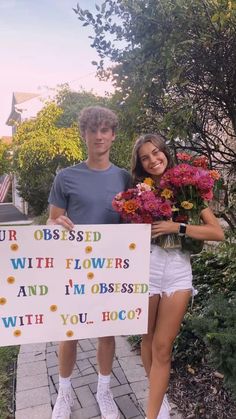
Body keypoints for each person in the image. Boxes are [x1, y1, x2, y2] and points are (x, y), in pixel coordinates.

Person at [131, 133, 224, 419]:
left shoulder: (188, 189)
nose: (153, 160)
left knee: (163, 347)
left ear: (166, 153)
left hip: (178, 274)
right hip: (146, 269)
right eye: (145, 157)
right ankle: (158, 405)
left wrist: (177, 228)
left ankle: (152, 413)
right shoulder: (138, 192)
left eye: (156, 153)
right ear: (140, 163)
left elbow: (217, 233)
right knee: (147, 341)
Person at [48, 106, 131, 419]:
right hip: (73, 268)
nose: (98, 136)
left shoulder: (124, 177)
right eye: (92, 130)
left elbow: (131, 224)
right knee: (69, 331)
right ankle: (64, 393)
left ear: (113, 135)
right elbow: (52, 221)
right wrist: (55, 225)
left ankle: (104, 391)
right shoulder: (66, 177)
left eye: (104, 130)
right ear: (84, 134)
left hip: (111, 269)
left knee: (106, 333)